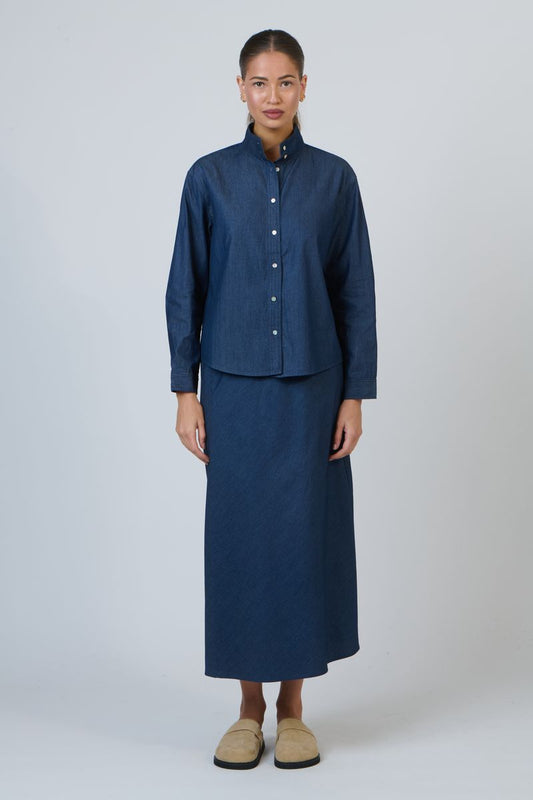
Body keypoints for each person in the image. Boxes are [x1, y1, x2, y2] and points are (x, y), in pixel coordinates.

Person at [165, 29, 378, 770]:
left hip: (315, 393)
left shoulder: (335, 180)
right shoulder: (209, 179)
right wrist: (185, 392)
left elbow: (355, 292)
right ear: (241, 89)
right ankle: (246, 708)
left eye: (286, 81)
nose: (273, 96)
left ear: (304, 87)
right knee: (242, 546)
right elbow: (185, 290)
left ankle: (292, 710)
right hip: (232, 392)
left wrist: (355, 395)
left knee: (302, 546)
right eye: (259, 82)